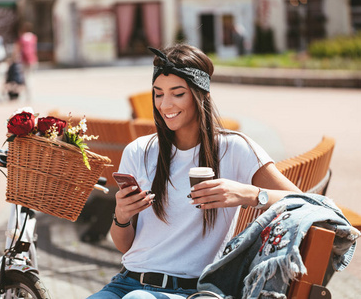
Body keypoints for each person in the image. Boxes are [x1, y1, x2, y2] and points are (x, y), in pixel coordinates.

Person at [88, 44, 301, 299]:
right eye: (158, 94)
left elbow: (305, 201)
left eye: (177, 94)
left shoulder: (234, 149)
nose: (165, 104)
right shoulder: (138, 151)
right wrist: (121, 215)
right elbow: (125, 247)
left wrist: (249, 194)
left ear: (201, 94)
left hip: (192, 291)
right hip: (127, 282)